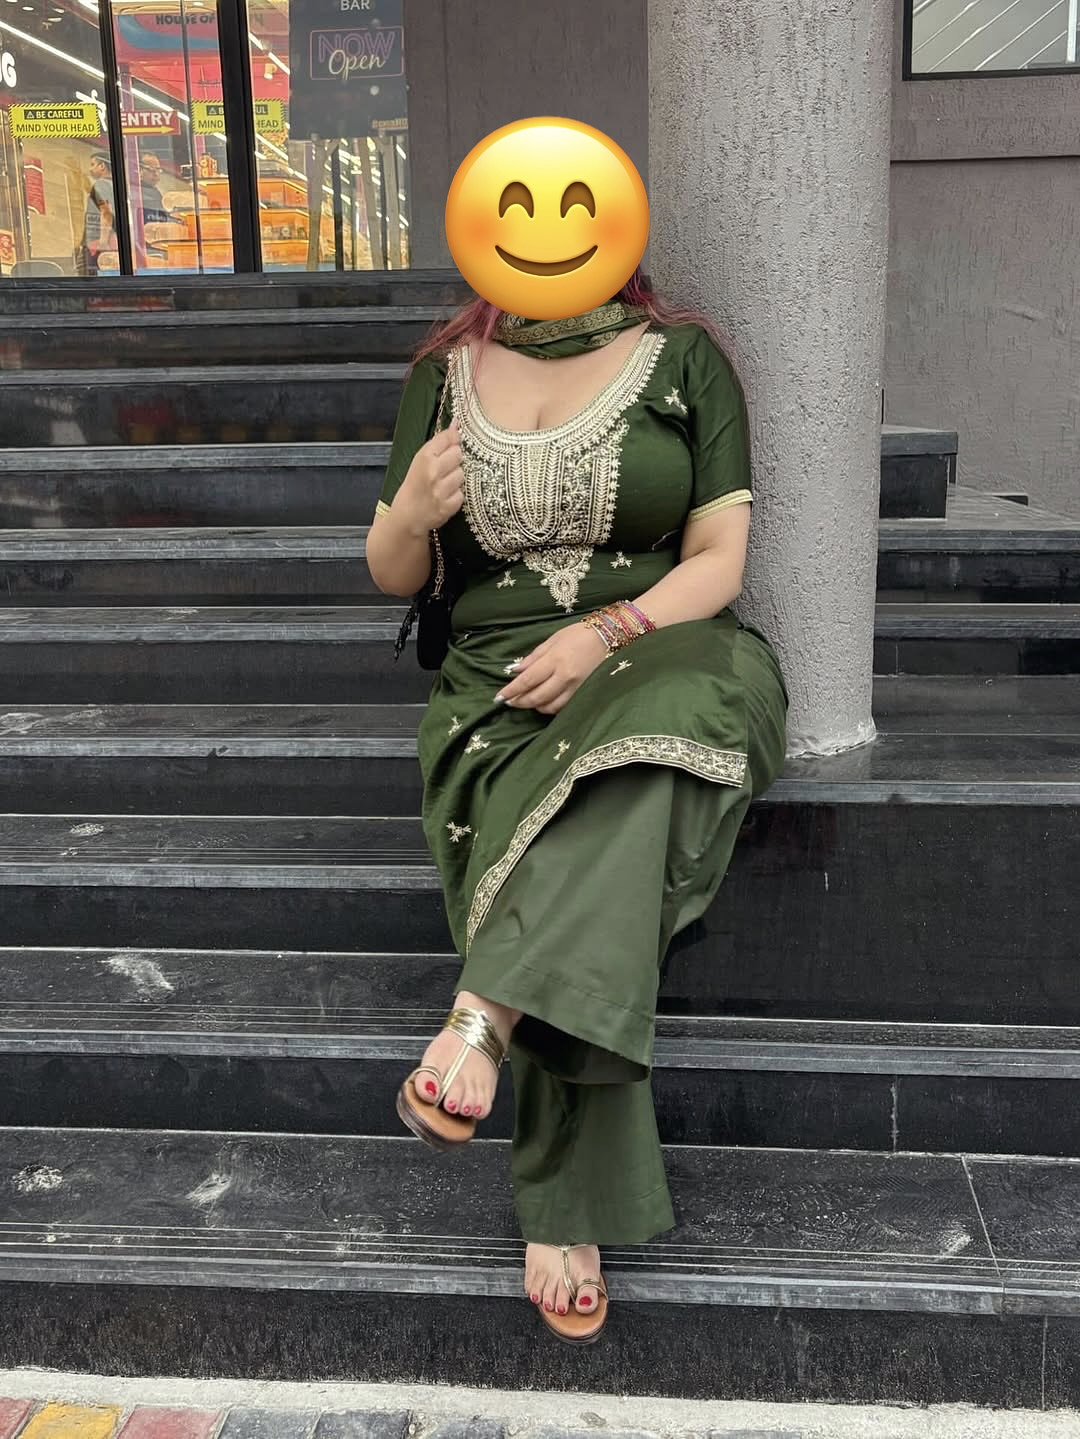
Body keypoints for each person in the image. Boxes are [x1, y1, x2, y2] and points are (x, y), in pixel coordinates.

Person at [366, 272, 789, 1346]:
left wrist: (606, 634)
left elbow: (722, 560)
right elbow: (391, 570)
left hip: (666, 648)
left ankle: (483, 1017)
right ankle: (563, 1193)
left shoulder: (684, 359)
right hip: (499, 686)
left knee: (647, 746)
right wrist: (411, 513)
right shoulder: (444, 376)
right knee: (601, 811)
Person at [80, 151, 114, 276]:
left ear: (102, 166)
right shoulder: (114, 186)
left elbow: (106, 212)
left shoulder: (101, 185)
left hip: (97, 243)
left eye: (93, 164)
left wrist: (103, 242)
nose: (90, 169)